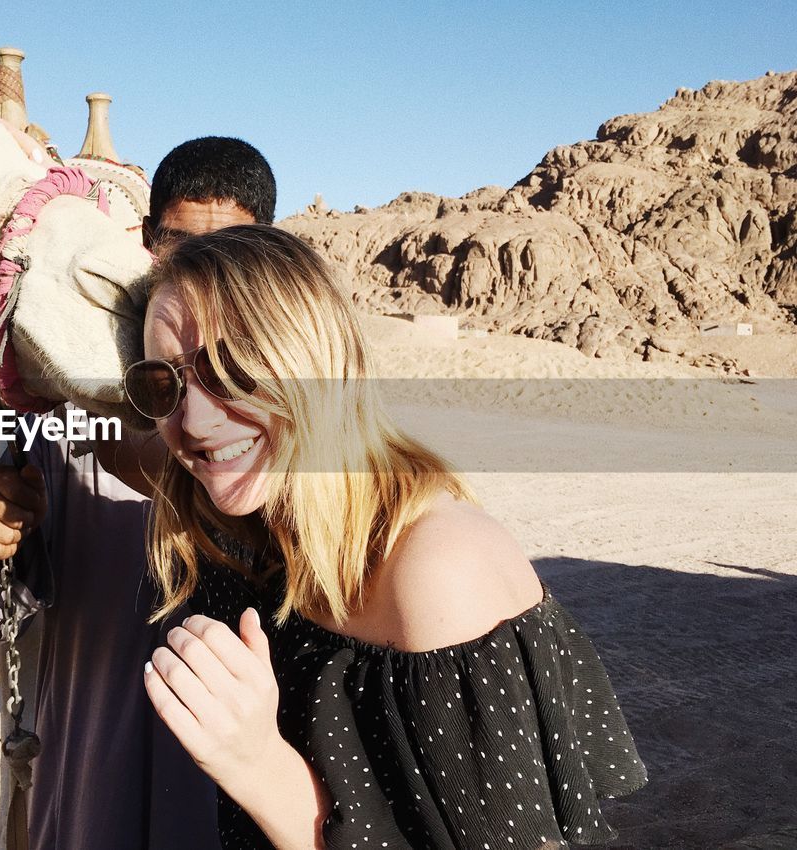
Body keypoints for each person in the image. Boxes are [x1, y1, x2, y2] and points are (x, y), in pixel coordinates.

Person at [129, 224, 647, 849]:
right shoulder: (241, 514)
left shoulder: (439, 571)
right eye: (164, 384)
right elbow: (105, 435)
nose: (195, 421)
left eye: (231, 370)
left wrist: (256, 764)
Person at [0, 137, 277, 850]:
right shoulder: (62, 411)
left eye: (231, 250)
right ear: (148, 245)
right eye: (180, 246)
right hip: (87, 778)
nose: (198, 274)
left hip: (229, 795)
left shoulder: (287, 425)